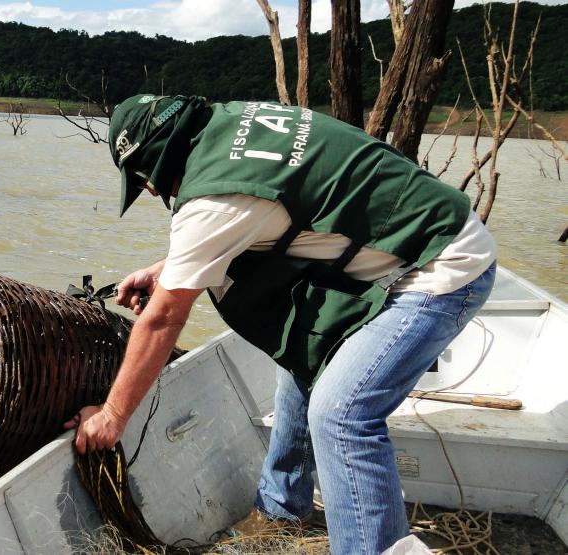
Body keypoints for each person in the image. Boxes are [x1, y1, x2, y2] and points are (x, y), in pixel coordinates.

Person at [63, 94, 497, 554]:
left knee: (340, 415)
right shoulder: (234, 122)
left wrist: (112, 416)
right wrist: (166, 269)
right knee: (301, 362)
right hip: (420, 234)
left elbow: (163, 318)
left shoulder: (210, 201)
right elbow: (255, 208)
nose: (155, 193)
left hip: (443, 266)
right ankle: (281, 510)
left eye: (147, 182)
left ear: (155, 165)